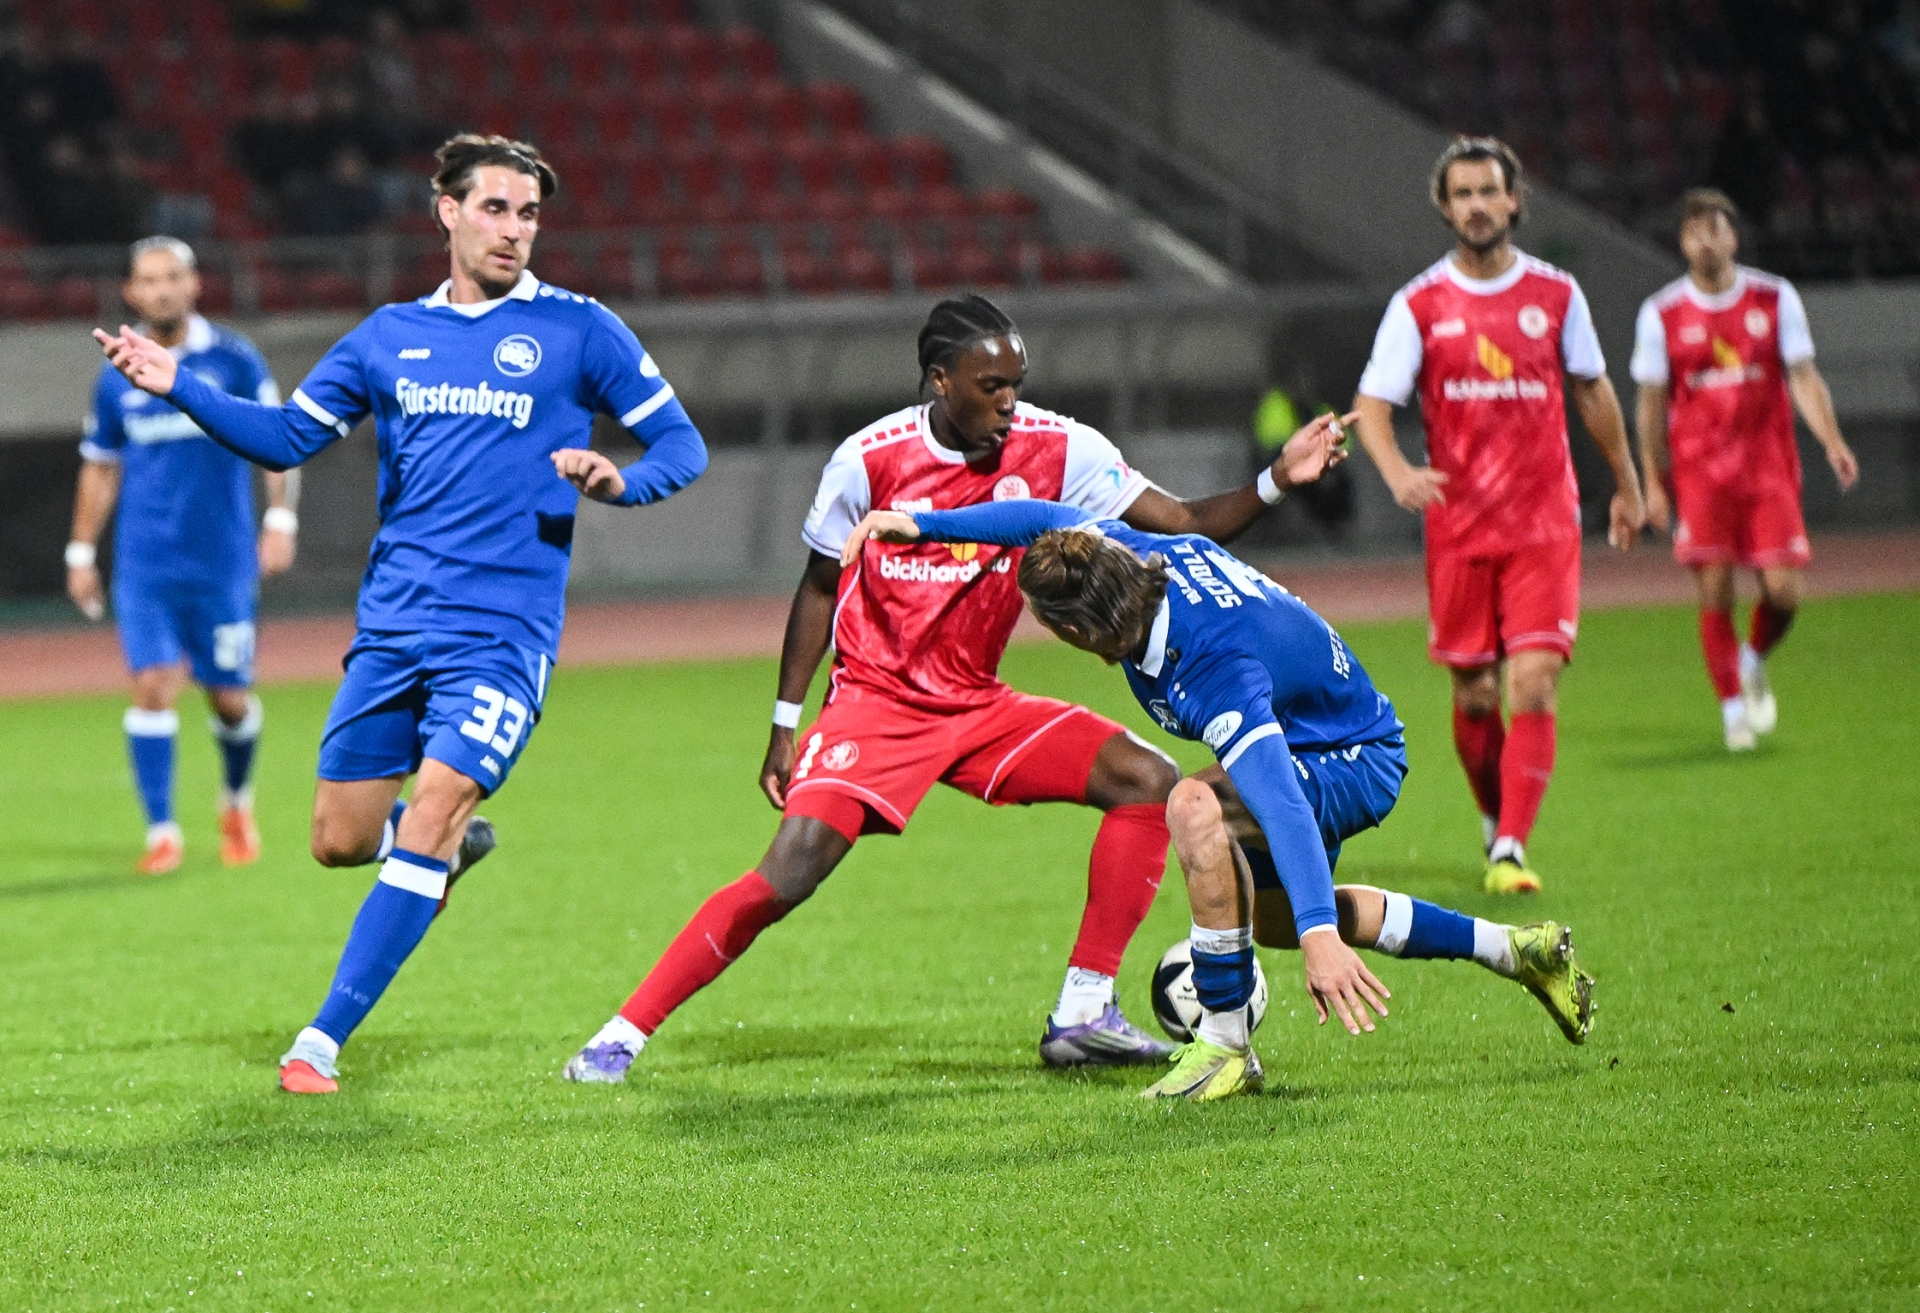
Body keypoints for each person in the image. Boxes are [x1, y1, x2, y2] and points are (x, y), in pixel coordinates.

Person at [561, 294, 1354, 1084]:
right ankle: (619, 1036)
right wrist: (784, 722)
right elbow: (819, 585)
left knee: (1148, 779)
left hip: (978, 704)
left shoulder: (1059, 448)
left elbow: (1177, 520)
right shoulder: (868, 460)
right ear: (940, 380)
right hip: (876, 705)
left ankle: (1082, 1014)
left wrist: (1276, 480)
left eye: (1017, 384)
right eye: (991, 386)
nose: (1010, 402)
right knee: (789, 871)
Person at [93, 134, 709, 1095]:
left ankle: (319, 1041)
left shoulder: (580, 329)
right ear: (447, 212)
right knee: (338, 839)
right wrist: (182, 387)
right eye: (495, 208)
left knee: (436, 802)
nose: (514, 229)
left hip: (501, 633)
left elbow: (681, 443)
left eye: (529, 213)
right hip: (393, 625)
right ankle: (441, 859)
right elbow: (286, 438)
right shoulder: (387, 337)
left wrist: (620, 480)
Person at [836, 497, 1596, 1102]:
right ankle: (1517, 949)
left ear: (1073, 630)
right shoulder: (1119, 557)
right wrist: (921, 524)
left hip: (1352, 756)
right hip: (1317, 731)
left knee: (1192, 806)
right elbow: (1038, 517)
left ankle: (1226, 1046)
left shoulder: (1211, 668)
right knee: (1269, 920)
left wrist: (1321, 937)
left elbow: (1283, 804)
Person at [1350, 136, 1647, 896]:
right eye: (1464, 194)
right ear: (1445, 207)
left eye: (1490, 191)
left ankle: (1511, 847)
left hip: (1543, 523)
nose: (1478, 205)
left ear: (1515, 201)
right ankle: (1493, 817)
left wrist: (1627, 482)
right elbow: (1372, 406)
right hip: (1459, 528)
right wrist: (1397, 472)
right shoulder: (1419, 305)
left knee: (1534, 681)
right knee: (1476, 694)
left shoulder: (1557, 295)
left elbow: (1593, 390)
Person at [68, 236, 298, 875]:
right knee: (152, 687)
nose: (162, 289)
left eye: (173, 276)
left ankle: (236, 801)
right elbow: (100, 466)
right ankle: (162, 832)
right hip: (145, 564)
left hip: (222, 561)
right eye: (149, 279)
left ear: (194, 285)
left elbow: (279, 437)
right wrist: (80, 551)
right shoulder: (116, 375)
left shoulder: (234, 359)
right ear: (130, 292)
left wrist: (280, 519)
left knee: (229, 699)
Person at [1631, 188, 1859, 750]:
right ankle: (1734, 711)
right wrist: (1653, 482)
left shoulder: (1774, 297)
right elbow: (1651, 405)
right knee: (1714, 591)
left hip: (1768, 470)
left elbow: (1803, 376)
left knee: (1784, 592)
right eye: (1695, 232)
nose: (1706, 241)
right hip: (1701, 475)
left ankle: (1752, 658)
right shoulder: (1661, 312)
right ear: (1682, 243)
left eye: (1716, 228)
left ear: (1733, 236)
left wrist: (1831, 440)